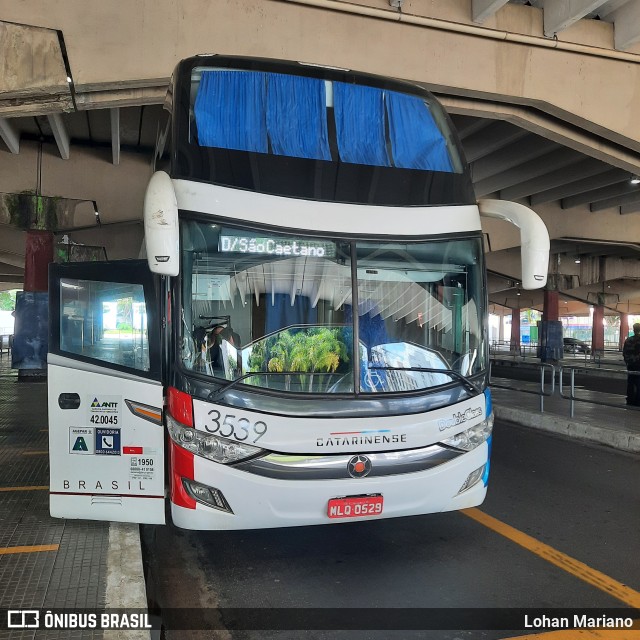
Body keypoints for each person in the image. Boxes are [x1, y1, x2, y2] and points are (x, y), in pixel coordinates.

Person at [622, 323, 640, 406]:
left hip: (631, 365)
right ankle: (638, 401)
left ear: (633, 329)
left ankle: (630, 400)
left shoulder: (628, 340)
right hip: (639, 366)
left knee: (630, 383)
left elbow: (624, 353)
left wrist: (628, 362)